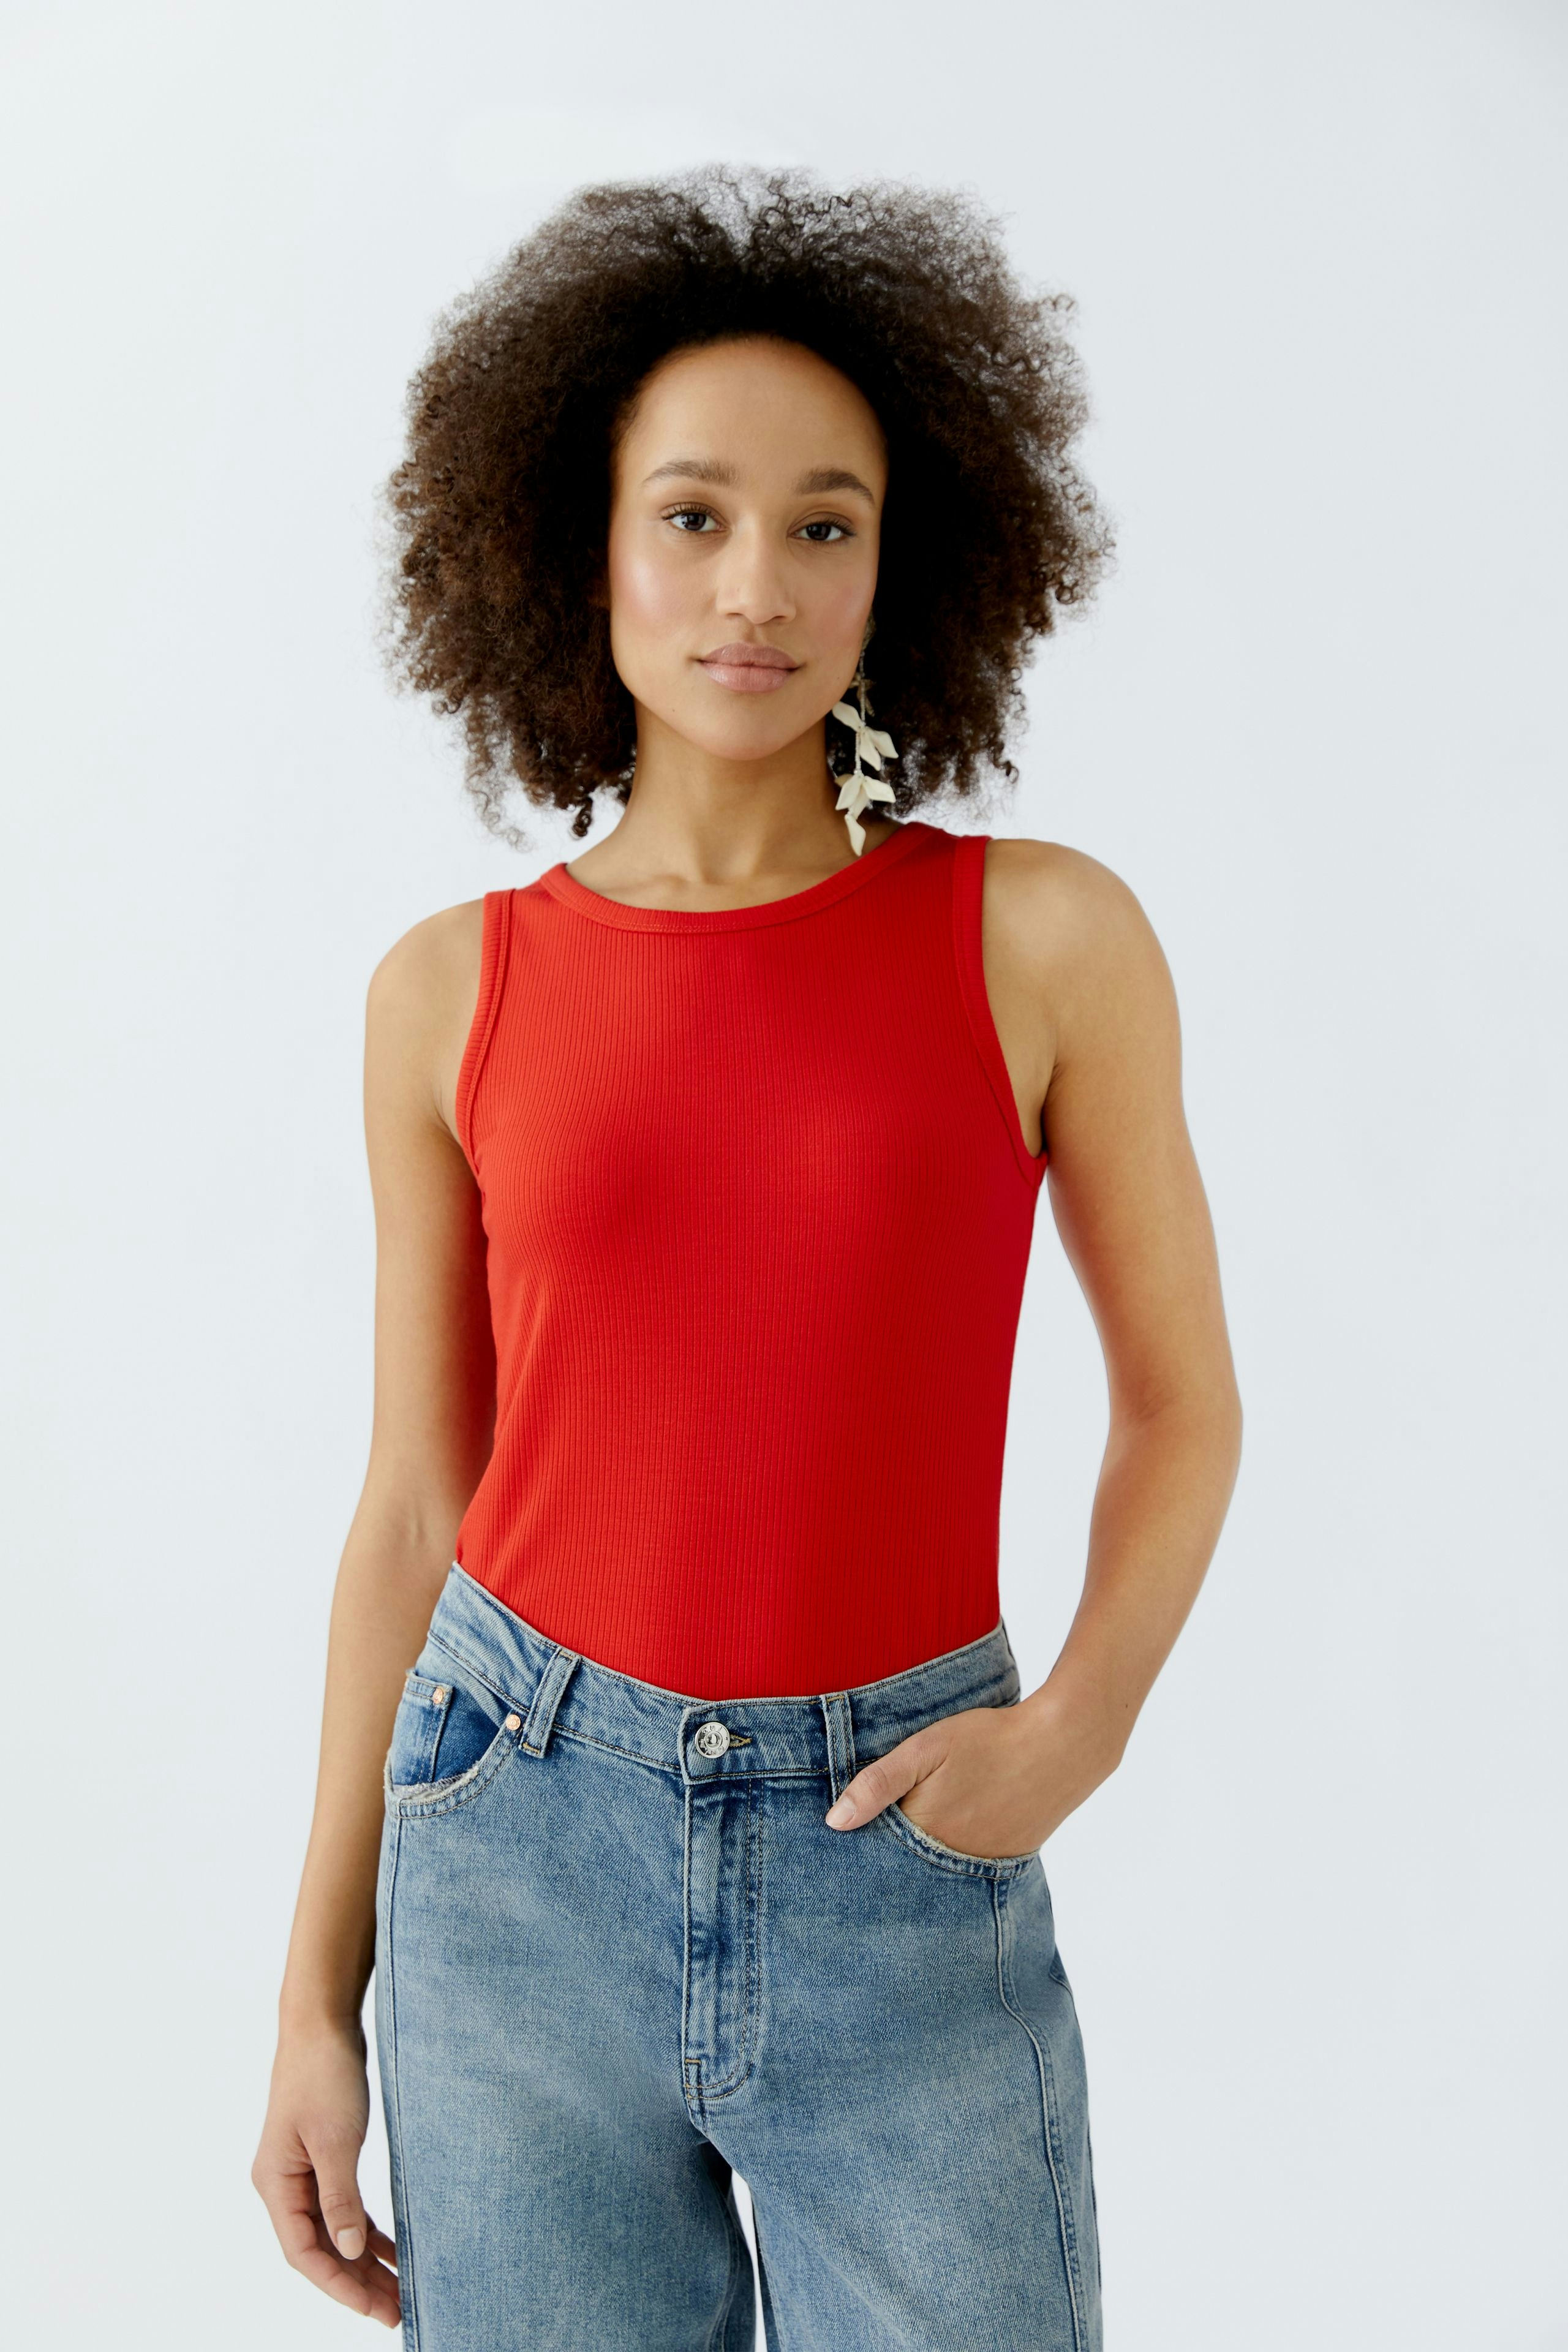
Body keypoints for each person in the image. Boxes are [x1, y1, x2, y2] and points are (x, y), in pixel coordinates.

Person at [252, 170, 1242, 2351]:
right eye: (691, 516)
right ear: (574, 543)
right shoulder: (450, 991)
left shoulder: (1041, 938)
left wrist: (1077, 1727)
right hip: (514, 1849)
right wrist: (315, 2000)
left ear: (907, 565)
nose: (754, 588)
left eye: (825, 524)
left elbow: (1182, 1406)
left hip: (905, 1844)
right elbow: (417, 1500)